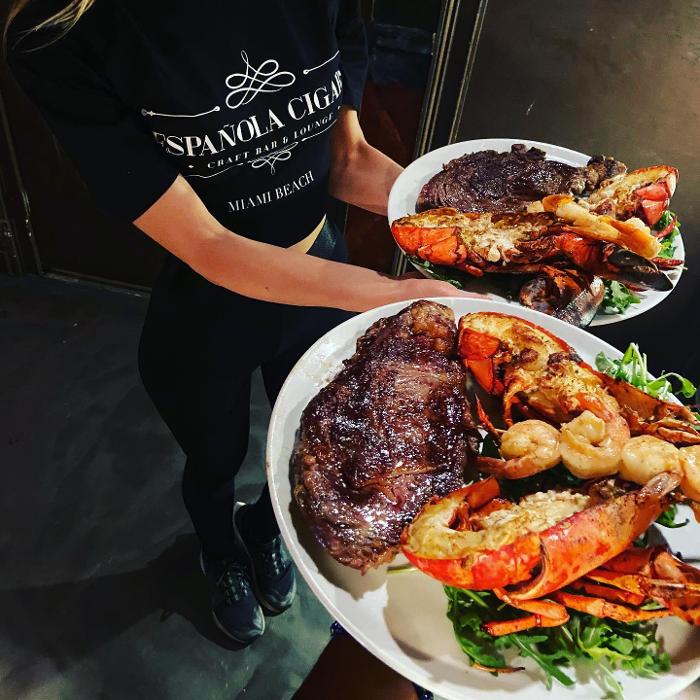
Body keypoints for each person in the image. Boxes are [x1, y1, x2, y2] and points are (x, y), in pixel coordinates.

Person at [6, 0, 473, 645]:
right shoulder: (61, 35)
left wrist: (480, 232)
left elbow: (346, 161)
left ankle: (263, 528)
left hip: (322, 275)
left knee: (314, 450)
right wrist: (385, 293)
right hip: (208, 305)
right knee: (214, 456)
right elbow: (208, 244)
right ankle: (219, 549)